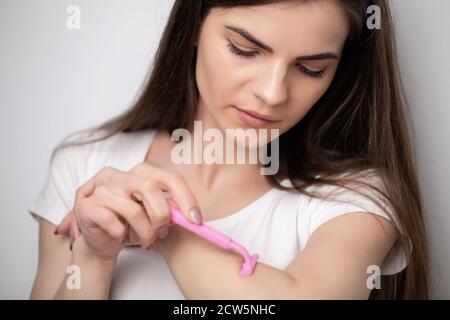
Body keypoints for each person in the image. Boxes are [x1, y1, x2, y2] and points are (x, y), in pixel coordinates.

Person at [28, 0, 429, 299]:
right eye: (244, 49)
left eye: (311, 69)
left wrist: (165, 223)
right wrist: (94, 257)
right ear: (193, 29)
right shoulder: (84, 162)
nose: (272, 94)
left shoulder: (357, 198)